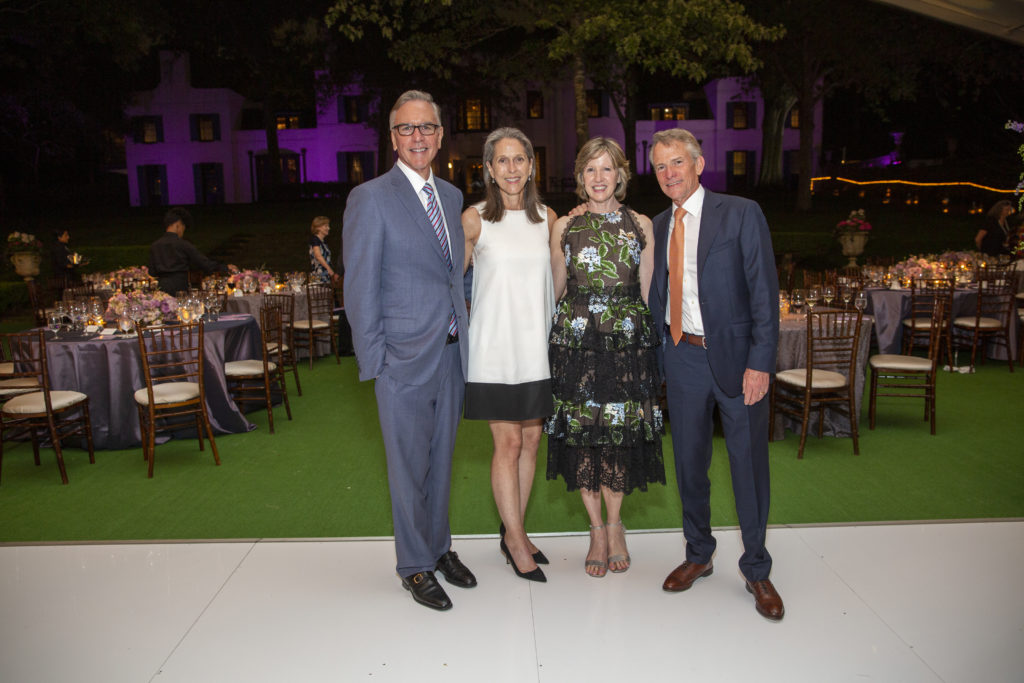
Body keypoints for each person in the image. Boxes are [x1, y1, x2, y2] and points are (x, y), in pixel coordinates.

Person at [342, 90, 475, 612]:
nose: (417, 137)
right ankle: (413, 565)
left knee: (441, 461)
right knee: (406, 467)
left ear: (441, 135)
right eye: (406, 129)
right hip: (401, 358)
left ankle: (438, 548)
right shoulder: (370, 198)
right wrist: (377, 361)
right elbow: (359, 288)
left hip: (449, 353)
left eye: (426, 128)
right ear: (392, 137)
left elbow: (451, 277)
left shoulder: (450, 196)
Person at [646, 128, 783, 621]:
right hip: (682, 358)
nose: (669, 174)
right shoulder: (658, 225)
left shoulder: (741, 213)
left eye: (677, 162)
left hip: (738, 359)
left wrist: (760, 362)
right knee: (689, 464)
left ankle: (756, 568)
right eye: (660, 166)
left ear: (699, 164)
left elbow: (765, 294)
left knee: (747, 465)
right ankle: (698, 554)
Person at [546, 137, 665, 578]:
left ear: (620, 174)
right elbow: (554, 290)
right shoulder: (564, 228)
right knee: (583, 436)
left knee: (617, 434)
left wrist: (648, 347)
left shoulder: (642, 225)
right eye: (590, 170)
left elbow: (648, 291)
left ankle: (616, 525)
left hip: (625, 345)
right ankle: (595, 529)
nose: (599, 178)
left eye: (607, 169)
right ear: (580, 177)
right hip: (576, 345)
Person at [463, 128, 557, 583]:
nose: (512, 168)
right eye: (502, 160)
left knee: (533, 441)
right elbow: (444, 282)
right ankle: (516, 540)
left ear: (532, 165)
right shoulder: (475, 219)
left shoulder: (547, 219)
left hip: (537, 349)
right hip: (495, 350)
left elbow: (556, 282)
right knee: (510, 443)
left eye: (519, 159)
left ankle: (512, 529)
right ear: (489, 169)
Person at [149, 207, 237, 295]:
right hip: (180, 288)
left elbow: (152, 272)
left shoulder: (154, 245)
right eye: (183, 228)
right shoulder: (183, 244)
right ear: (178, 225)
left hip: (162, 289)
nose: (183, 232)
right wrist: (225, 267)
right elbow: (204, 263)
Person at [50, 230, 82, 295]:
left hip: (65, 278)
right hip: (63, 279)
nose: (68, 237)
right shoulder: (58, 248)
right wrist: (74, 265)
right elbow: (61, 263)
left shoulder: (62, 246)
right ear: (59, 237)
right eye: (66, 235)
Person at [309, 216, 339, 284]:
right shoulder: (315, 240)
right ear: (318, 227)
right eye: (326, 226)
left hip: (326, 274)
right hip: (320, 275)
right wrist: (329, 269)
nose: (328, 228)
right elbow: (318, 256)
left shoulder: (322, 242)